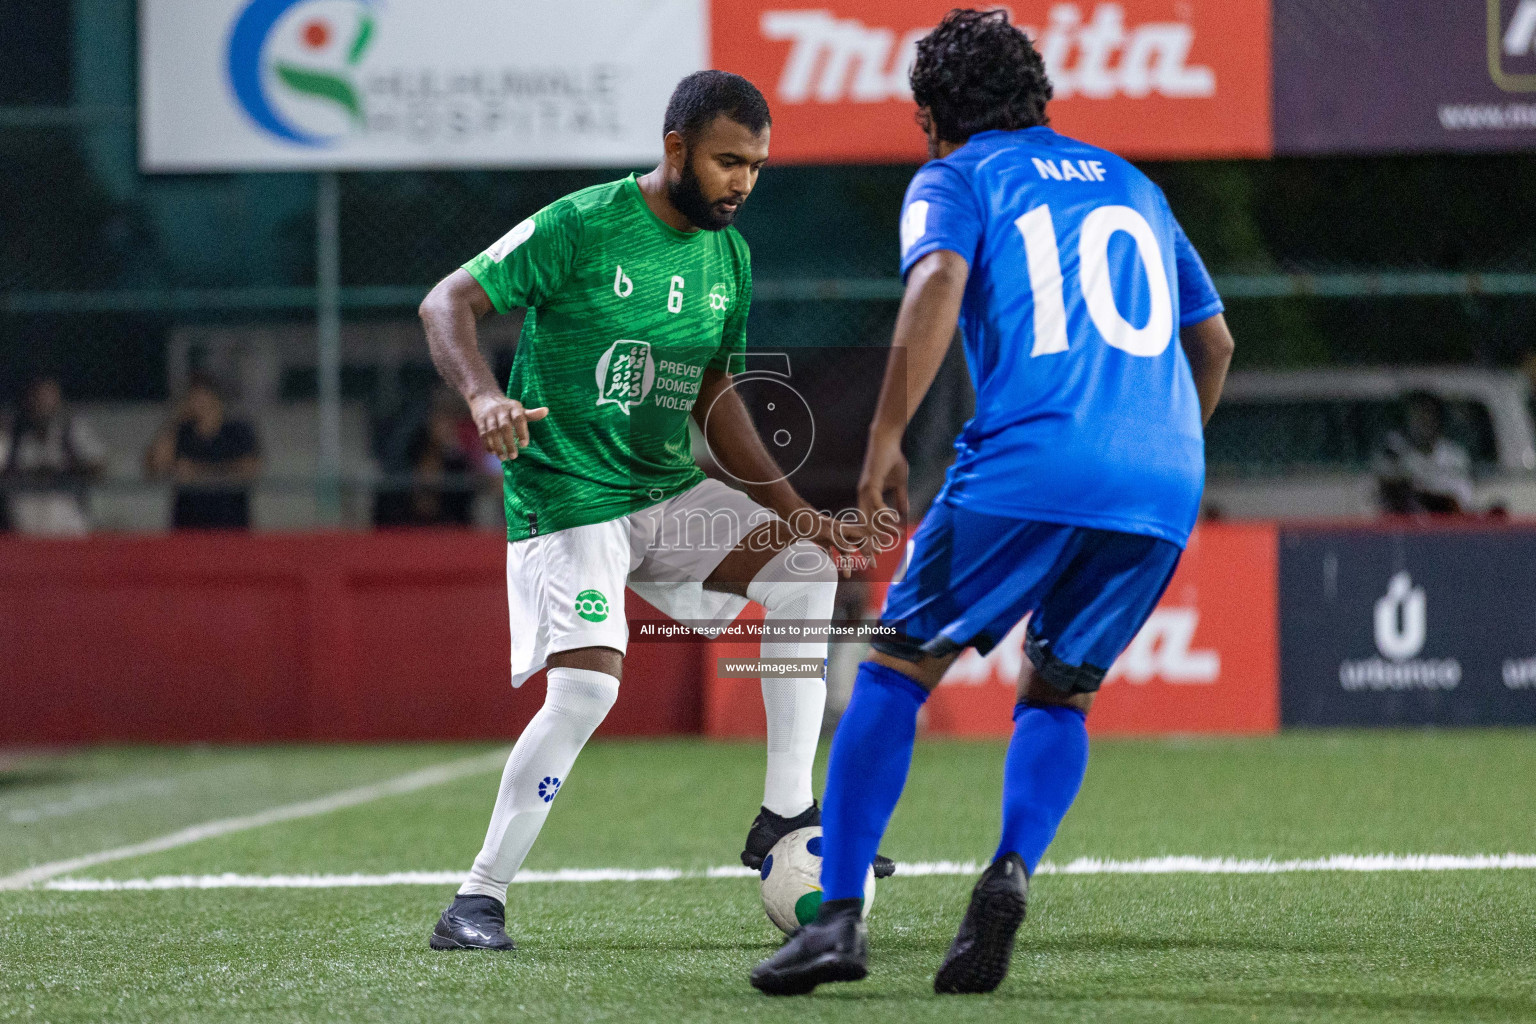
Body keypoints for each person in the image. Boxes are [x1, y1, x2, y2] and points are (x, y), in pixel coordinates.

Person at [752, 9, 1235, 996]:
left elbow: (936, 278)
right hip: (1165, 469)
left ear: (932, 116)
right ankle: (1010, 869)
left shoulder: (959, 175)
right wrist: (1162, 441)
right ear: (1038, 97)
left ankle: (837, 916)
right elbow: (1215, 343)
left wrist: (885, 438)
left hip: (1033, 455)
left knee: (894, 668)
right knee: (1060, 690)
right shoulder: (1136, 185)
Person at [417, 70, 886, 953]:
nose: (743, 181)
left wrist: (796, 513)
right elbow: (447, 301)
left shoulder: (729, 257)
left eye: (757, 165)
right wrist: (484, 399)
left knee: (805, 570)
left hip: (660, 492)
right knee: (589, 688)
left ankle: (787, 812)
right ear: (676, 150)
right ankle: (476, 899)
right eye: (727, 161)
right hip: (568, 492)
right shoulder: (583, 223)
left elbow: (717, 394)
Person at [144, 374, 262, 530]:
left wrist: (198, 471)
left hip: (230, 520)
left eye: (202, 397)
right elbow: (156, 466)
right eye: (192, 398)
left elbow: (249, 468)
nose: (198, 403)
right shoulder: (183, 431)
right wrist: (175, 420)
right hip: (188, 522)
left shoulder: (237, 429)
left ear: (215, 398)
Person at [0, 374, 107, 536]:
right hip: (24, 520)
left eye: (49, 396)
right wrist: (29, 474)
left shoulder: (71, 429)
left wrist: (67, 469)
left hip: (66, 517)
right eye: (38, 397)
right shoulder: (12, 433)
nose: (43, 403)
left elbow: (98, 465)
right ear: (28, 399)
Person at [1374, 391, 1474, 515]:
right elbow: (1387, 486)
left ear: (1438, 419)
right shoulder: (1395, 452)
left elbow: (1461, 498)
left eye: (1428, 414)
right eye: (1417, 415)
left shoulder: (1455, 456)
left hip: (1446, 523)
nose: (1423, 421)